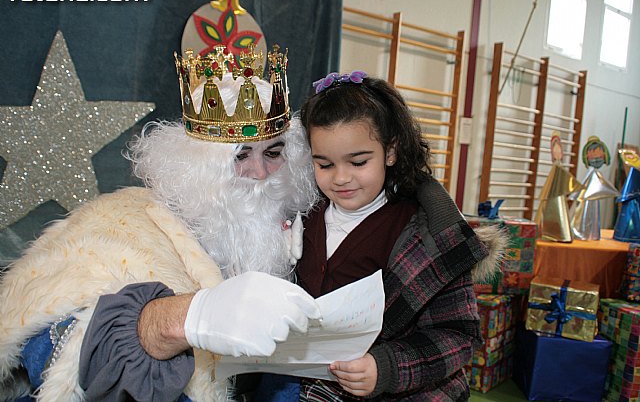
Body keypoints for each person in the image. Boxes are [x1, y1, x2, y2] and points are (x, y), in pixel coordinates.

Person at [0, 45, 321, 401]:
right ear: (196, 165)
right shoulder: (118, 222)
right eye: (240, 156)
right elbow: (53, 344)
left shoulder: (301, 231)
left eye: (273, 153)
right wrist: (174, 321)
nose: (261, 173)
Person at [266, 71, 503, 400]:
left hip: (400, 389)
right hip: (313, 382)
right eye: (325, 165)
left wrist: (386, 368)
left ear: (390, 152)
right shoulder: (304, 213)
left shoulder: (426, 235)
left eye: (358, 162)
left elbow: (458, 337)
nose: (341, 178)